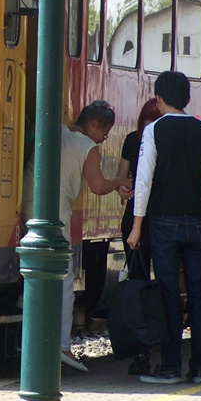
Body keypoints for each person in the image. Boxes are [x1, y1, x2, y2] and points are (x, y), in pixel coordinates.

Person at [128, 71, 201, 385]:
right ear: (187, 99)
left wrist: (137, 226)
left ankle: (170, 367)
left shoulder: (153, 131)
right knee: (198, 295)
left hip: (164, 225)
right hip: (197, 224)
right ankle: (200, 367)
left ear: (158, 99)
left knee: (169, 293)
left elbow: (142, 183)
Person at [59, 100, 132, 372]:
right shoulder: (87, 147)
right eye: (105, 130)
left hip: (32, 206)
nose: (106, 137)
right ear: (93, 124)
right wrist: (121, 182)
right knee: (65, 282)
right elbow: (99, 185)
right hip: (56, 214)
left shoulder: (62, 132)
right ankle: (62, 345)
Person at [116, 97, 163, 375]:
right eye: (146, 126)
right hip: (144, 219)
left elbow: (125, 176)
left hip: (149, 219)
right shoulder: (134, 141)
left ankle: (148, 350)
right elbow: (123, 178)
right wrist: (123, 189)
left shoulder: (146, 139)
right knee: (142, 281)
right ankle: (144, 351)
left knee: (146, 281)